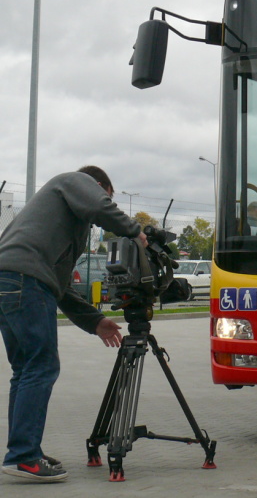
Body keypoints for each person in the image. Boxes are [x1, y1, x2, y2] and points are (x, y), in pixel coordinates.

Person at [0, 166, 145, 483]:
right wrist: (135, 231)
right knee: (41, 366)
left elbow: (60, 287)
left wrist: (96, 321)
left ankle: (24, 452)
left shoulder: (62, 226)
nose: (105, 204)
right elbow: (99, 205)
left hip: (12, 280)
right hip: (25, 280)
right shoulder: (75, 181)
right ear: (99, 186)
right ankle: (23, 457)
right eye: (108, 195)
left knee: (26, 368)